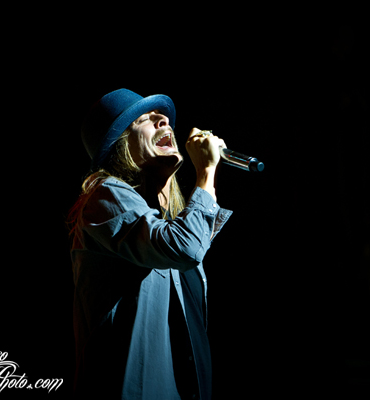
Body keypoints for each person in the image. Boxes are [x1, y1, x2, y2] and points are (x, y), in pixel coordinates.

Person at [68, 88, 232, 399]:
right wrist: (207, 172)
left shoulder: (168, 224)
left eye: (163, 116)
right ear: (120, 147)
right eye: (144, 119)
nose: (163, 120)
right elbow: (184, 247)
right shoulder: (104, 196)